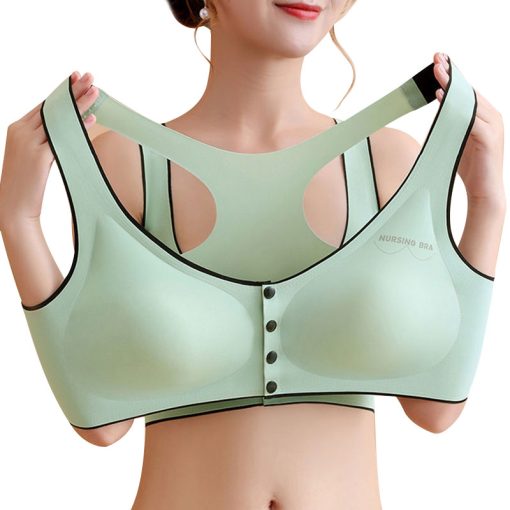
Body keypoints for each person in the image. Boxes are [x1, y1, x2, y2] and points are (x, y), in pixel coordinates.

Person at [0, 1, 506, 509]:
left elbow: (435, 409)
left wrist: (488, 203)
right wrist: (19, 222)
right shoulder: (123, 166)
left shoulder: (389, 164)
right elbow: (103, 423)